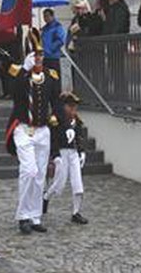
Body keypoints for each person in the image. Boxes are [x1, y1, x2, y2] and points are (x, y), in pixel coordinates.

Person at [5, 28, 61, 235]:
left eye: (41, 55)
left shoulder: (50, 76)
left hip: (42, 130)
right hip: (23, 129)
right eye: (35, 55)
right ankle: (22, 216)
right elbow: (15, 92)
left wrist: (57, 122)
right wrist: (23, 70)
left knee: (40, 175)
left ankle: (35, 216)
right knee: (29, 171)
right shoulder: (20, 74)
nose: (38, 58)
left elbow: (56, 102)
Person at [43, 92, 88, 225]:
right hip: (62, 152)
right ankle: (45, 197)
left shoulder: (76, 121)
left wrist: (81, 151)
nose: (73, 109)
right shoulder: (55, 120)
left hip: (73, 153)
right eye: (70, 106)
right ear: (63, 106)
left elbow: (79, 137)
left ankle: (76, 212)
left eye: (75, 106)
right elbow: (53, 139)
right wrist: (55, 155)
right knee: (59, 183)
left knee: (78, 184)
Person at [41, 8, 66, 76]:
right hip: (45, 57)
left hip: (54, 57)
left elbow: (61, 40)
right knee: (47, 78)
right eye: (44, 16)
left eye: (47, 16)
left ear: (52, 16)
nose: (45, 18)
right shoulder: (44, 28)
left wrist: (50, 48)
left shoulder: (57, 27)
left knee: (55, 78)